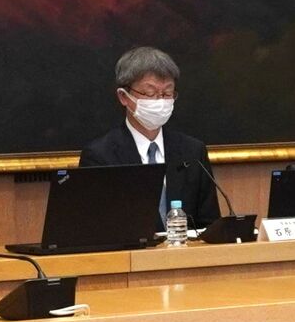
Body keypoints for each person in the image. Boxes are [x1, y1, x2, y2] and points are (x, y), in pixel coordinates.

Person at [79, 47, 221, 230]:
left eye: (167, 93)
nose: (160, 102)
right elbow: (92, 228)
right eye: (150, 93)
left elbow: (210, 226)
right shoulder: (100, 156)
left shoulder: (193, 151)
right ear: (123, 97)